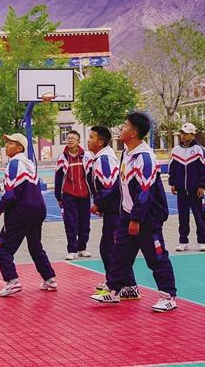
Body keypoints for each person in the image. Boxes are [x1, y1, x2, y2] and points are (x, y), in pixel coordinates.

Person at [91, 112, 177, 312]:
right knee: (120, 255)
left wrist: (136, 218)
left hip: (147, 218)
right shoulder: (126, 153)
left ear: (133, 133)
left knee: (156, 257)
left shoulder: (145, 158)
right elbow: (121, 185)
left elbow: (145, 191)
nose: (121, 128)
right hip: (127, 214)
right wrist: (108, 207)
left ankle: (168, 296)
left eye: (125, 125)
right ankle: (113, 290)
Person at [0, 133, 57, 296]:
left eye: (11, 143)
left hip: (21, 212)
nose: (6, 145)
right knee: (35, 246)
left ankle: (12, 281)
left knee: (2, 248)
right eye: (7, 143)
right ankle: (50, 279)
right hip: (38, 210)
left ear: (20, 148)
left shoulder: (14, 163)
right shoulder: (29, 163)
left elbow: (11, 193)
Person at [85, 126, 139, 299]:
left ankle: (127, 285)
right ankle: (115, 281)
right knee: (110, 248)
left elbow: (109, 186)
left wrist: (98, 204)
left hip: (116, 211)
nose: (88, 140)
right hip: (111, 210)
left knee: (114, 248)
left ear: (100, 142)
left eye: (92, 137)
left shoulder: (104, 159)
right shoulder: (99, 158)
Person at [169, 123, 205, 252]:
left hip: (196, 191)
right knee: (183, 217)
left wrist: (202, 186)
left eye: (186, 134)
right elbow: (172, 169)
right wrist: (173, 183)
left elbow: (204, 169)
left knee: (200, 217)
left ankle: (202, 242)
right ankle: (183, 241)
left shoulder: (198, 150)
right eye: (182, 133)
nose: (183, 136)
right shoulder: (176, 150)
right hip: (181, 191)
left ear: (192, 135)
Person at [55, 130, 91, 260]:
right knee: (70, 223)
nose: (70, 140)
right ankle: (72, 250)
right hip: (69, 195)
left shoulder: (86, 156)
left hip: (85, 195)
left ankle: (82, 248)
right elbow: (58, 178)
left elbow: (91, 176)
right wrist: (58, 196)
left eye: (73, 138)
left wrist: (94, 193)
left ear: (78, 141)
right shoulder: (62, 158)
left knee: (85, 223)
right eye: (68, 138)